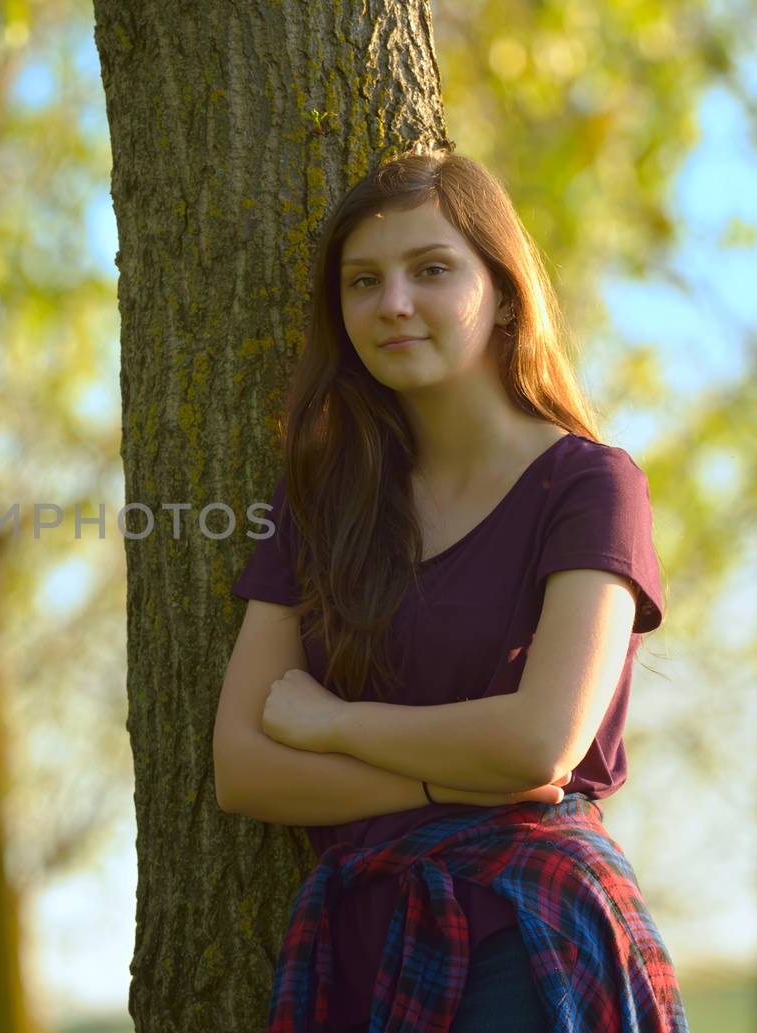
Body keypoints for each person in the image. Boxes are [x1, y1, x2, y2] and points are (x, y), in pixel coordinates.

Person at [213, 149, 688, 1032]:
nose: (392, 303)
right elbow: (243, 768)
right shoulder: (322, 500)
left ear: (503, 291)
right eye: (363, 281)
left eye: (431, 269)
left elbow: (538, 744)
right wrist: (446, 782)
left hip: (528, 934)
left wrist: (337, 724)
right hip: (351, 945)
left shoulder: (590, 485)